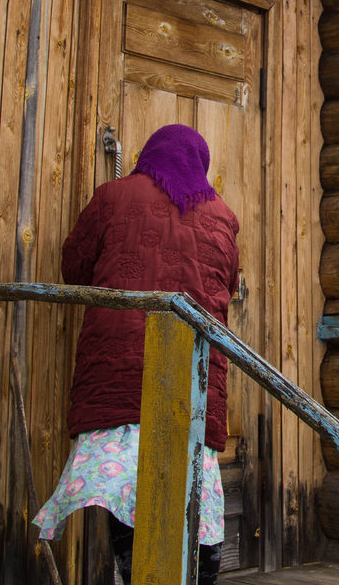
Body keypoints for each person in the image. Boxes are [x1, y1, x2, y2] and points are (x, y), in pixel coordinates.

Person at [34, 124, 239, 584]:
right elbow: (229, 282)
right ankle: (199, 574)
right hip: (192, 379)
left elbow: (75, 267)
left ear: (149, 155)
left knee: (128, 492)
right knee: (192, 491)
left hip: (117, 376)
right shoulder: (223, 217)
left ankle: (134, 572)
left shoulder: (112, 196)